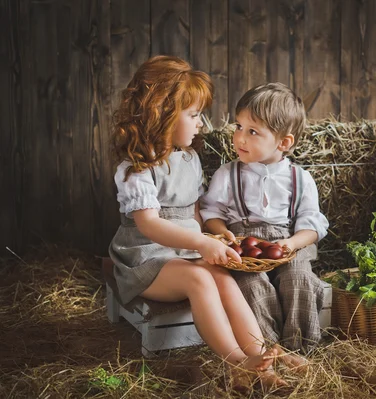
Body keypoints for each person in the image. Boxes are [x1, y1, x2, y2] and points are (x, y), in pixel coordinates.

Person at [107, 55, 284, 389]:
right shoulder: (137, 169)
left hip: (183, 251)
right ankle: (236, 363)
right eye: (193, 115)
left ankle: (260, 357)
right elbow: (149, 225)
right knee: (200, 280)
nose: (202, 123)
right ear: (162, 113)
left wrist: (211, 235)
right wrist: (200, 243)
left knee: (222, 276)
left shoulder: (188, 158)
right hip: (146, 259)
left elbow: (194, 210)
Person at [200, 83, 329, 360]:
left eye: (253, 132)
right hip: (244, 248)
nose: (240, 138)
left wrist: (292, 243)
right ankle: (270, 352)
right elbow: (211, 213)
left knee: (299, 279)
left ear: (284, 142)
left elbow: (313, 223)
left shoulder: (300, 178)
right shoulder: (227, 174)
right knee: (251, 285)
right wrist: (224, 235)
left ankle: (300, 348)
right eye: (238, 126)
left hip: (286, 246)